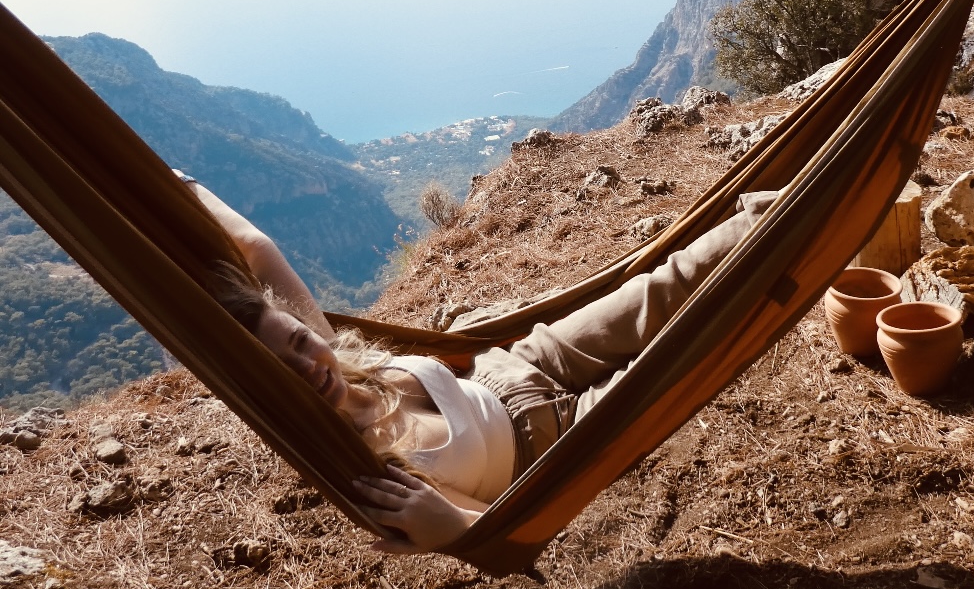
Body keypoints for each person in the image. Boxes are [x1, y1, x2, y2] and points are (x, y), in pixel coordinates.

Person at [179, 170, 777, 553]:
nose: (309, 362)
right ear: (267, 396)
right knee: (689, 343)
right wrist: (454, 533)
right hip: (559, 440)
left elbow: (256, 251)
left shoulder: (333, 359)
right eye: (287, 370)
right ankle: (812, 235)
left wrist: (184, 187)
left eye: (300, 341)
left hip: (521, 364)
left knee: (667, 283)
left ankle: (805, 194)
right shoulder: (361, 465)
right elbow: (496, 530)